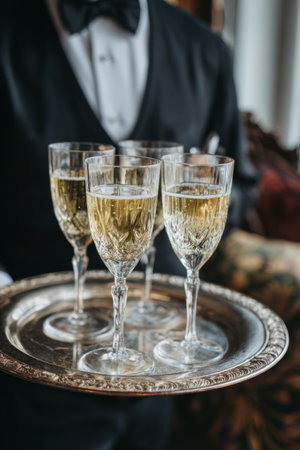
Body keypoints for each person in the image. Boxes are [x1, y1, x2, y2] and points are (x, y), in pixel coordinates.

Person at [0, 0, 257, 449]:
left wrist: (195, 197)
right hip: (40, 373)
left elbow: (242, 188)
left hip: (165, 365)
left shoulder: (205, 50)